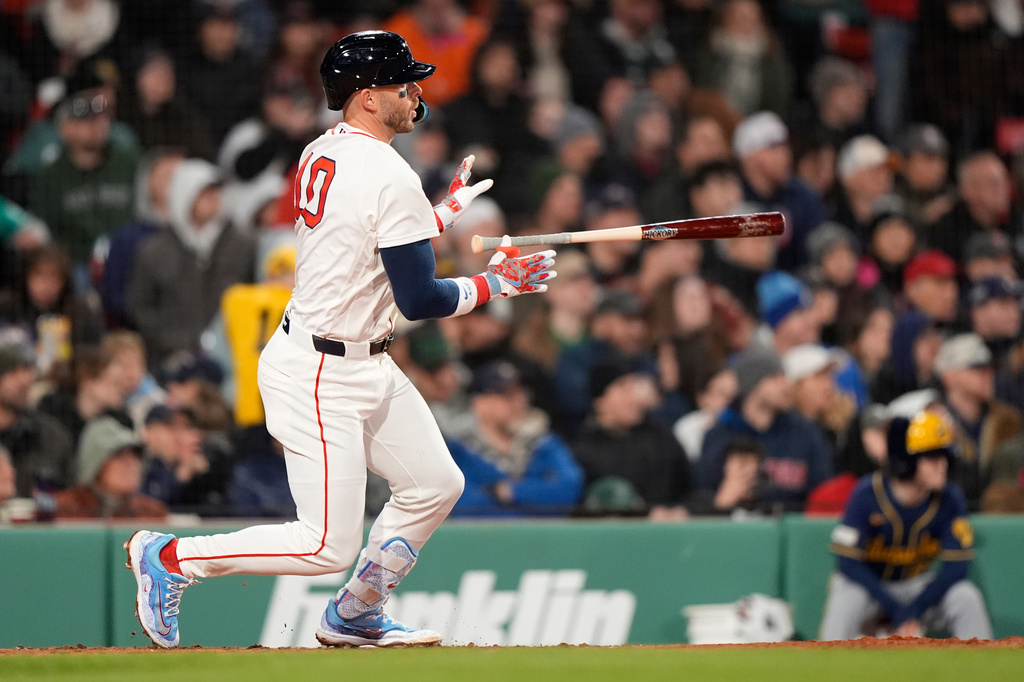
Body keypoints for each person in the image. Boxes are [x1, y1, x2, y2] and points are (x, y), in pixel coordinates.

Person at [123, 30, 556, 650]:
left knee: (436, 483)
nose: (415, 91)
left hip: (357, 359)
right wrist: (494, 286)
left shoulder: (325, 149)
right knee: (326, 544)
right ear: (367, 98)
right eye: (402, 82)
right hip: (319, 371)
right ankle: (173, 558)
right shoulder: (388, 172)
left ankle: (356, 613)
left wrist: (438, 215)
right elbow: (419, 297)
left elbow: (365, 238)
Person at [819, 411, 993, 640]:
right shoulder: (867, 493)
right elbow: (848, 563)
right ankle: (828, 669)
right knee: (847, 594)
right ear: (906, 461)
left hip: (917, 588)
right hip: (872, 589)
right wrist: (895, 609)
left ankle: (982, 670)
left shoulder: (950, 498)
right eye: (932, 458)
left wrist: (913, 610)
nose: (942, 465)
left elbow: (956, 568)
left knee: (965, 596)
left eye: (944, 457)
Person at [54, 414, 168, 520]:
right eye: (119, 455)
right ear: (95, 463)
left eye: (135, 455)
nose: (131, 463)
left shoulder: (151, 513)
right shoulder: (62, 509)